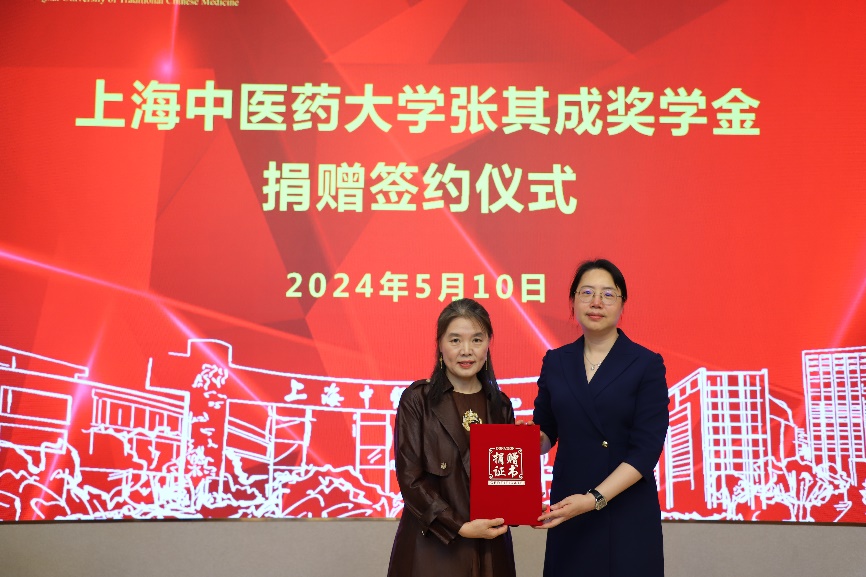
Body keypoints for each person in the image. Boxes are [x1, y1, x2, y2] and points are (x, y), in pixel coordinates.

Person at [532, 259, 670, 577]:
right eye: (587, 293)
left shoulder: (646, 364)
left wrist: (594, 499)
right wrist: (520, 440)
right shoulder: (556, 361)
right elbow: (546, 432)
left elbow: (646, 450)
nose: (596, 302)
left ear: (622, 304)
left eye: (608, 294)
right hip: (570, 504)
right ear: (573, 301)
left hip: (625, 508)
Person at [387, 298, 516, 577]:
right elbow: (410, 479)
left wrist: (523, 505)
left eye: (477, 340)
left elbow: (506, 484)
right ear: (440, 345)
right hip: (432, 548)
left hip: (490, 548)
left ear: (488, 344)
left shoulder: (500, 405)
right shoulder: (418, 400)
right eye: (455, 340)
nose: (466, 350)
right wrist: (459, 526)